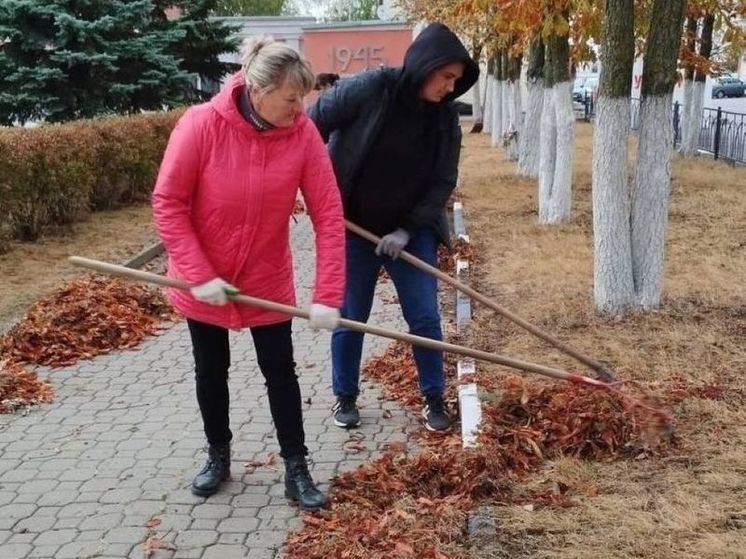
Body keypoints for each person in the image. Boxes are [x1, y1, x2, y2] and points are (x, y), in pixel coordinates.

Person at [152, 36, 345, 511]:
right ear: (258, 91)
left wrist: (328, 294)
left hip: (265, 275)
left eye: (303, 97)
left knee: (281, 372)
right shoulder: (200, 126)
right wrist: (198, 273)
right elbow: (168, 204)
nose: (300, 108)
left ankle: (296, 466)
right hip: (204, 277)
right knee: (210, 371)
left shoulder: (302, 134)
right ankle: (218, 456)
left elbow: (328, 213)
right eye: (291, 98)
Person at [308, 23, 479, 432]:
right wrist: (310, 183)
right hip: (354, 226)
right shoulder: (370, 89)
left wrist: (406, 229)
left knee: (423, 317)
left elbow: (442, 181)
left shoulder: (444, 120)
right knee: (351, 314)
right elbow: (313, 123)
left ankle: (434, 397)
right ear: (426, 66)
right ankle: (345, 397)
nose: (450, 87)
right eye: (446, 77)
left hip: (410, 232)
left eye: (456, 80)